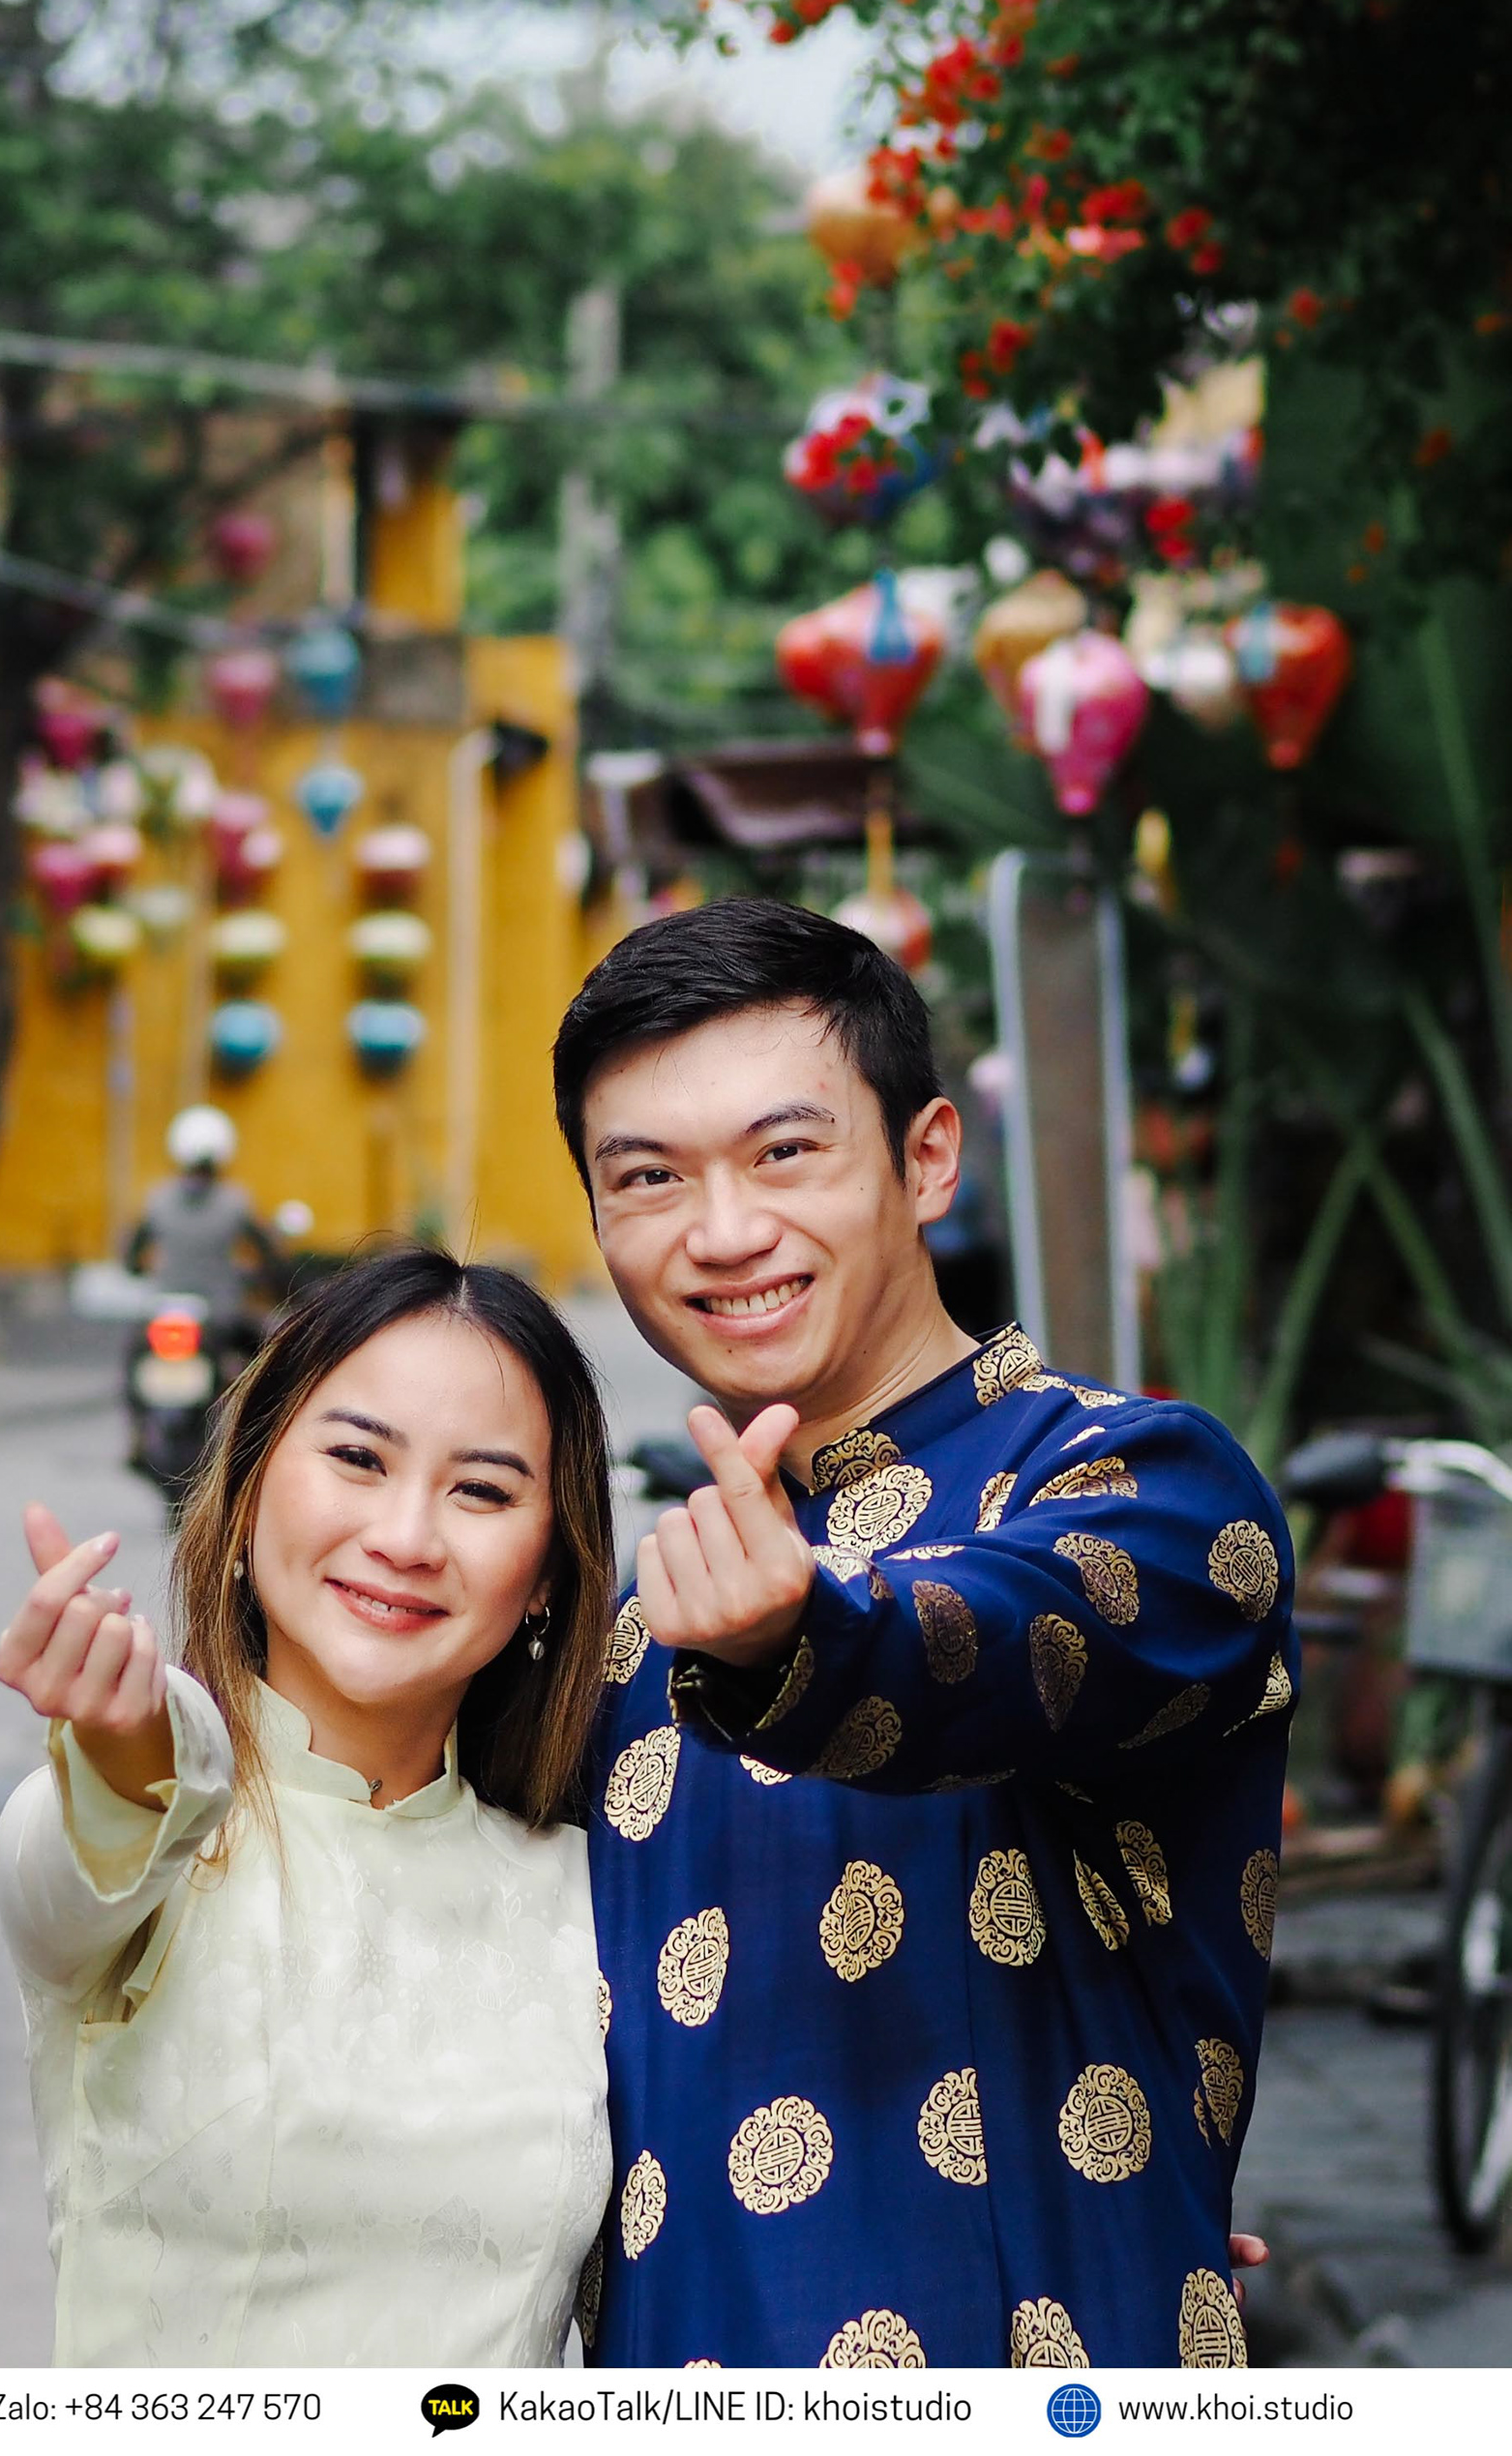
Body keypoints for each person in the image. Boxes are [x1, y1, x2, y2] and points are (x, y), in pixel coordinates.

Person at [551, 897, 1295, 2370]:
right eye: (647, 1176)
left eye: (785, 1152)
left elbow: (1010, 1636)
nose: (723, 1232)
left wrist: (803, 1640)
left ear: (928, 1157)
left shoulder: (1139, 1484)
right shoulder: (637, 1624)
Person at [0, 1246, 616, 2367]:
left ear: (547, 1578)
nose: (407, 1538)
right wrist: (129, 1738)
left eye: (481, 1489)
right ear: (247, 1494)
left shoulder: (588, 1893)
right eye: (358, 1458)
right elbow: (82, 1850)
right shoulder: (144, 1853)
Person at [125, 1106, 279, 1358]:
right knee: (270, 1352)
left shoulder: (156, 1199)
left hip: (164, 1310)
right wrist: (261, 1275)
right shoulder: (236, 1201)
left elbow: (131, 1256)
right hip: (221, 1313)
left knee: (135, 1353)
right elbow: (269, 1253)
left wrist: (138, 1268)